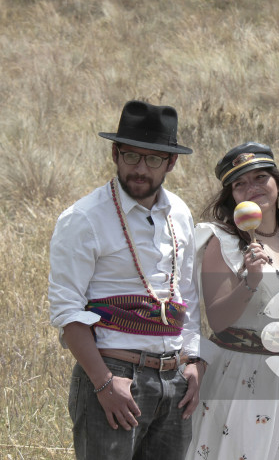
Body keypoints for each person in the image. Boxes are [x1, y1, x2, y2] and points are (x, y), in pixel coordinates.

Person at [48, 100, 204, 459]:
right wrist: (103, 382)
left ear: (171, 162)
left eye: (153, 159)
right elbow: (66, 310)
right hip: (115, 374)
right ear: (116, 153)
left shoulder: (179, 212)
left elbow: (187, 293)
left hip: (175, 377)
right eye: (132, 156)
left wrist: (193, 360)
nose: (140, 169)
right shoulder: (83, 218)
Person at [185, 142, 279, 460]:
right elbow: (219, 320)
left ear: (277, 184)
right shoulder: (221, 241)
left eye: (260, 177)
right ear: (231, 196)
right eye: (240, 183)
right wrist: (250, 282)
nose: (251, 188)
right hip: (243, 376)